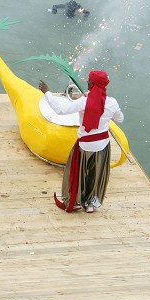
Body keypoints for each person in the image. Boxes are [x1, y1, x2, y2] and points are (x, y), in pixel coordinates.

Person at [38, 71, 124, 213]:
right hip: (102, 145)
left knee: (77, 173)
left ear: (94, 84)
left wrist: (47, 92)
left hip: (85, 145)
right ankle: (90, 204)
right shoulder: (112, 102)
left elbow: (60, 110)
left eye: (90, 81)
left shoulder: (85, 102)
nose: (87, 83)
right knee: (96, 174)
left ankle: (76, 201)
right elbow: (120, 119)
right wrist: (107, 115)